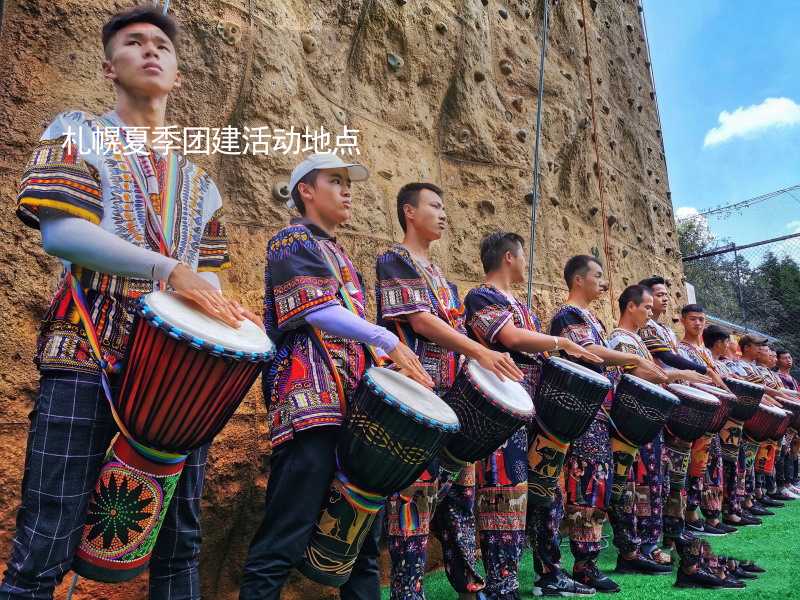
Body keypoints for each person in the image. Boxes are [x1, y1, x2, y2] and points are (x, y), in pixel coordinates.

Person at [1, 7, 260, 598]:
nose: (150, 51)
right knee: (45, 542)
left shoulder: (201, 184)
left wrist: (227, 321)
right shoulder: (76, 131)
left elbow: (210, 281)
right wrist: (172, 271)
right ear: (108, 66)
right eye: (133, 42)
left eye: (161, 46)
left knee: (179, 547)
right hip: (86, 358)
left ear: (177, 73)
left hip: (175, 380)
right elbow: (59, 232)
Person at [239, 153, 432, 600]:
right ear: (306, 190)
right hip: (310, 405)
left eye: (349, 183)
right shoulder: (290, 241)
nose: (347, 191)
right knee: (285, 534)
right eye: (335, 181)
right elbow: (316, 311)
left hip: (350, 407)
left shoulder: (340, 253)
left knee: (361, 538)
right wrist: (386, 341)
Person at [376, 184, 523, 600]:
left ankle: (469, 586)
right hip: (418, 398)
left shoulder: (443, 277)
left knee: (460, 495)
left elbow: (452, 328)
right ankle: (409, 592)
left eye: (444, 207)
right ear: (409, 212)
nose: (443, 215)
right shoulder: (394, 259)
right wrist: (480, 351)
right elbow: (420, 321)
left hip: (453, 400)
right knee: (415, 496)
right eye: (434, 206)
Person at [463, 233, 600, 598]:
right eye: (523, 257)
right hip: (501, 413)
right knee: (505, 495)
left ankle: (549, 572)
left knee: (546, 494)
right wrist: (561, 342)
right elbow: (511, 339)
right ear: (509, 257)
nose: (526, 264)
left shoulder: (521, 305)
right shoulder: (481, 296)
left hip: (532, 413)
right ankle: (502, 585)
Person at [548, 256, 663, 593]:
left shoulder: (591, 318)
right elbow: (587, 352)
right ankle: (583, 566)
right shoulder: (567, 315)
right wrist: (634, 357)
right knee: (587, 487)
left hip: (599, 415)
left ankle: (597, 560)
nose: (603, 282)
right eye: (597, 275)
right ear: (578, 280)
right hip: (581, 413)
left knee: (599, 488)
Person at [606, 286, 709, 581]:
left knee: (652, 484)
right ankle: (633, 550)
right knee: (634, 487)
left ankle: (647, 545)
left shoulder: (635, 339)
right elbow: (637, 374)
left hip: (646, 420)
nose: (651, 313)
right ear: (631, 307)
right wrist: (680, 375)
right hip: (631, 424)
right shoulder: (620, 338)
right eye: (647, 308)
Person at [675, 305, 735, 536]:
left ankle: (712, 515)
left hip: (713, 414)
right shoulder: (681, 349)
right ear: (682, 321)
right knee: (696, 465)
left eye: (701, 319)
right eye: (692, 319)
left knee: (711, 465)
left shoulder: (706, 352)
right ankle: (691, 513)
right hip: (695, 412)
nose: (697, 323)